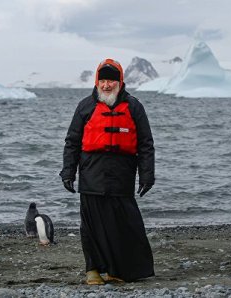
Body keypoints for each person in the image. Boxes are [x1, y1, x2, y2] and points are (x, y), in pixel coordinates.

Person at [60, 58, 155, 285]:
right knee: (91, 225)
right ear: (96, 81)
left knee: (123, 224)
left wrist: (147, 175)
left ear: (120, 82)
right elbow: (72, 142)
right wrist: (68, 172)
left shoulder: (134, 107)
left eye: (111, 81)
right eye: (102, 80)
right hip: (92, 175)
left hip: (122, 176)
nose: (106, 85)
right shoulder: (85, 106)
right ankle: (92, 270)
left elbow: (145, 144)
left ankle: (116, 270)